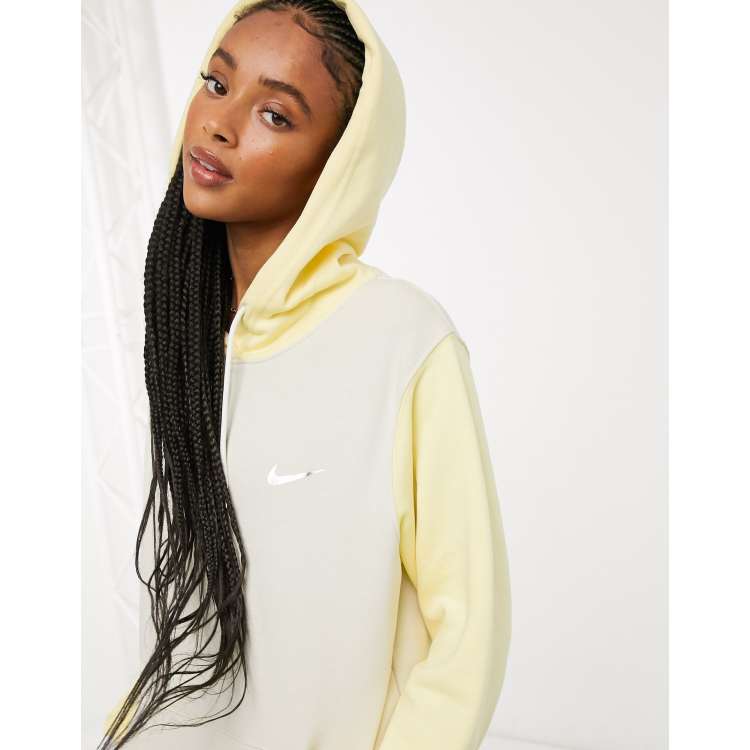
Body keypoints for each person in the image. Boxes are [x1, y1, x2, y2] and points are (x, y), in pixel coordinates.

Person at [99, 0, 511, 748]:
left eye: (276, 115)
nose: (219, 125)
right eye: (217, 84)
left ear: (339, 164)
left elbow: (468, 635)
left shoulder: (402, 338)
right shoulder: (189, 337)